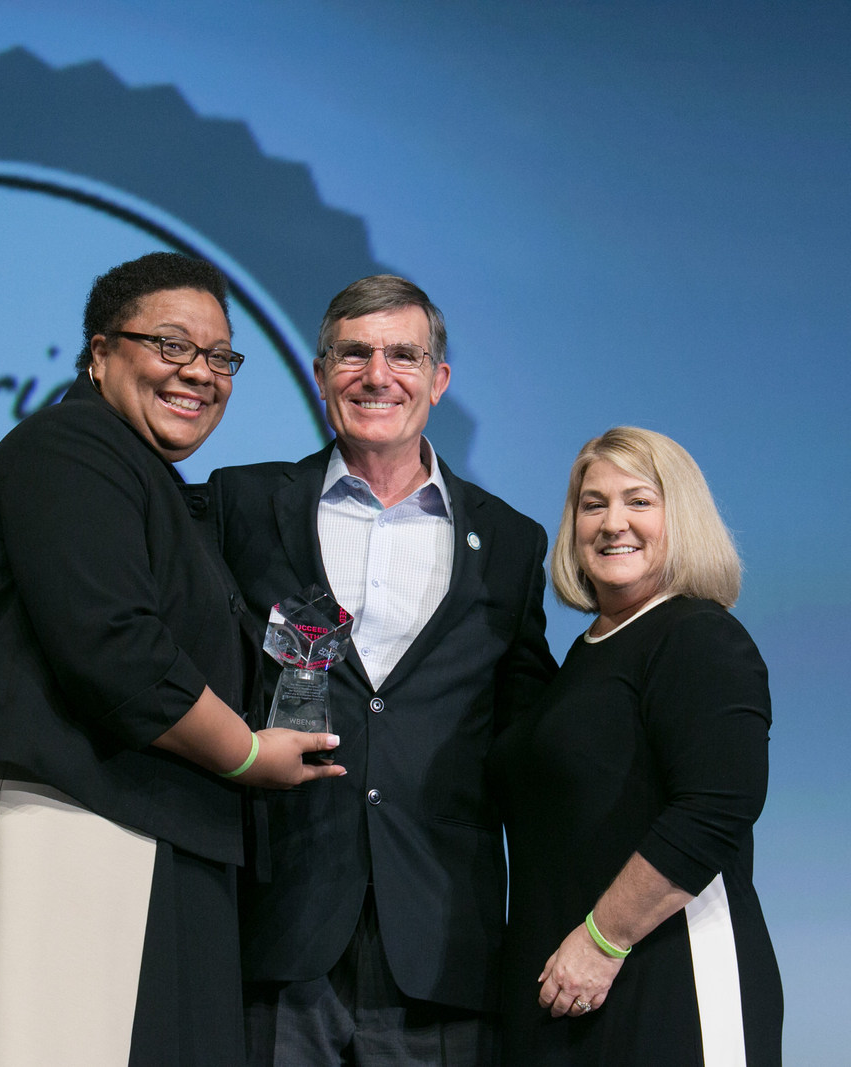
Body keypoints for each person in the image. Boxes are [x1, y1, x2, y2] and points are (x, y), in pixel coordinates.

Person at [0, 252, 343, 1067]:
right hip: (55, 827)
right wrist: (246, 753)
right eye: (171, 346)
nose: (199, 373)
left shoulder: (151, 482)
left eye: (219, 356)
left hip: (140, 830)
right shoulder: (69, 449)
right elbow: (117, 651)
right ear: (100, 353)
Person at [209, 274, 557, 1065]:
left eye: (404, 354)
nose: (378, 374)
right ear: (320, 371)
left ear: (438, 380)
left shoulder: (510, 541)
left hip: (440, 937)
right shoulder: (241, 504)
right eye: (355, 354)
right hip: (280, 922)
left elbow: (531, 730)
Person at [491, 426, 783, 1066]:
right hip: (568, 993)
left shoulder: (699, 636)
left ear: (682, 518)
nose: (612, 522)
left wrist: (602, 942)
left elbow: (715, 810)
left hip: (667, 984)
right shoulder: (583, 658)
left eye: (639, 501)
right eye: (592, 504)